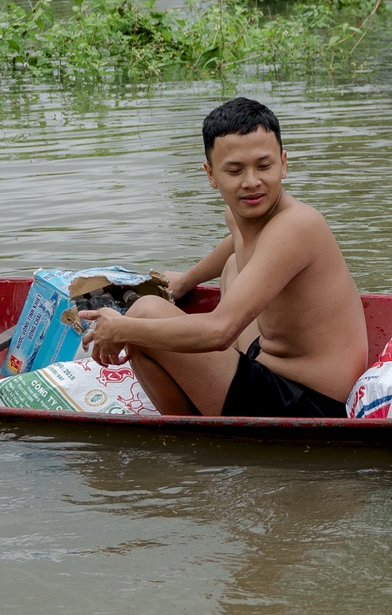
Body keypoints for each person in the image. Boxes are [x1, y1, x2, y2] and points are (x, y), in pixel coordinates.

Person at [82, 97, 368, 417]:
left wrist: (121, 329)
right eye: (234, 170)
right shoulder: (243, 215)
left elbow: (220, 332)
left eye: (264, 166)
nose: (251, 182)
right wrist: (185, 281)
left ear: (284, 164)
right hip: (276, 363)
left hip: (312, 403)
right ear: (211, 174)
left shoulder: (297, 225)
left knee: (143, 314)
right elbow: (235, 242)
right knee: (233, 268)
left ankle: (189, 433)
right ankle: (202, 406)